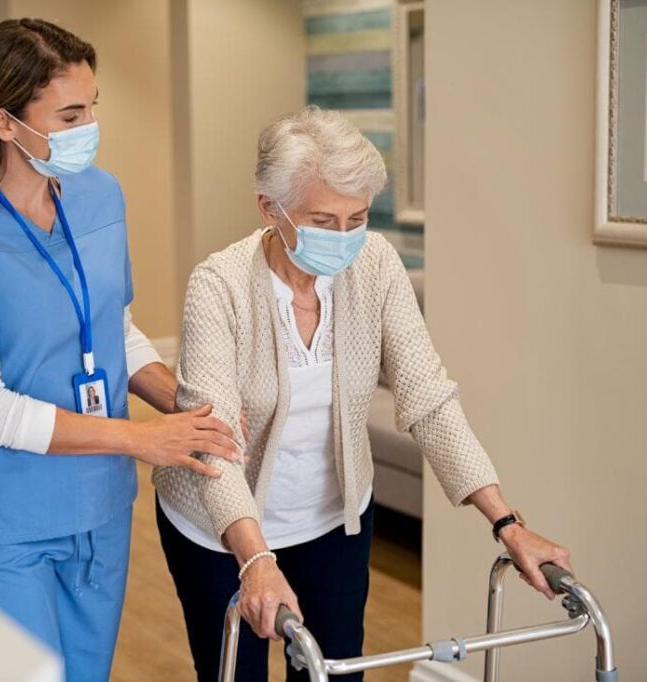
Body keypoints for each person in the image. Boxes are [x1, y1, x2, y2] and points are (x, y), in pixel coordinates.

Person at [153, 106, 573, 682]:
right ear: (268, 208)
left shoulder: (374, 263)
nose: (345, 239)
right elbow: (212, 442)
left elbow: (428, 395)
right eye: (324, 220)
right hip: (219, 532)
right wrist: (255, 557)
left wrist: (507, 523)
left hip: (331, 519)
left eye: (358, 217)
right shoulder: (218, 285)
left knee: (335, 672)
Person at [0, 18, 238, 681]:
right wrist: (142, 439)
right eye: (70, 113)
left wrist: (186, 406)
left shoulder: (98, 195)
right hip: (9, 522)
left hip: (100, 509)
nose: (90, 128)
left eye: (93, 108)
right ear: (3, 121)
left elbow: (113, 326)